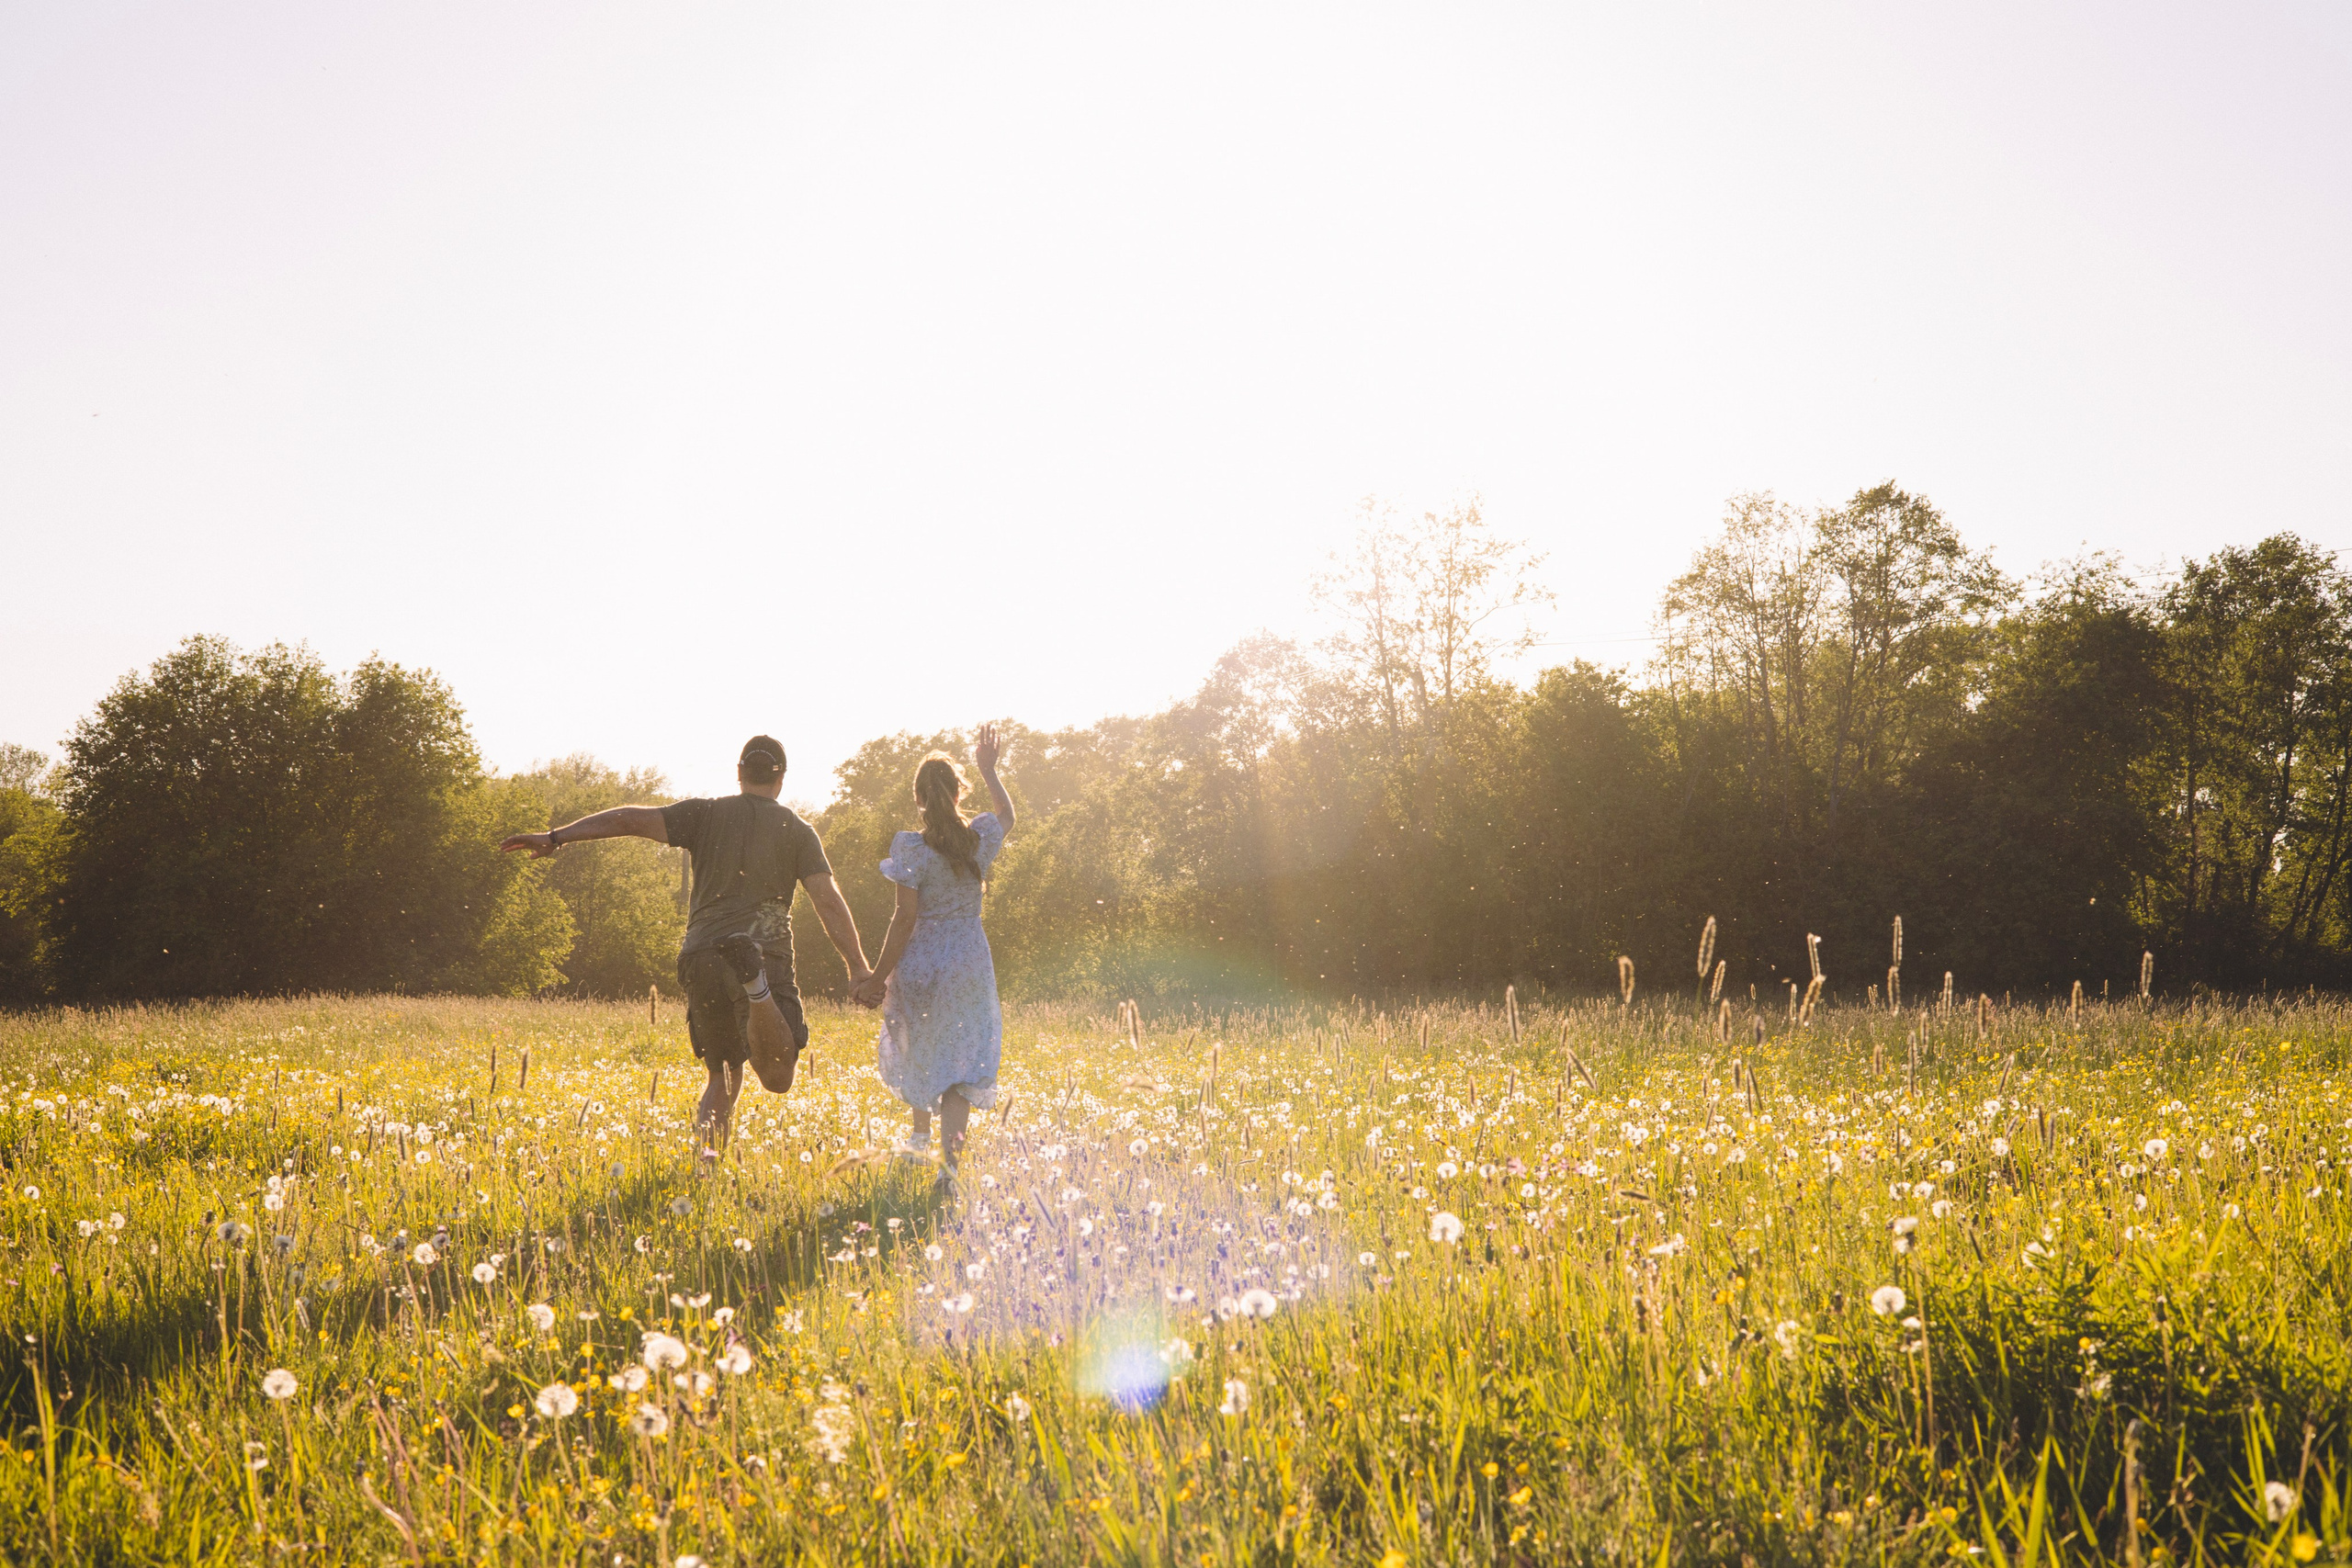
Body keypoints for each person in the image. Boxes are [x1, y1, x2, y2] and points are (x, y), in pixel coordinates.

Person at [501, 736, 875, 1142]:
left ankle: (707, 1170)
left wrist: (556, 837)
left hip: (701, 956)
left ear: (739, 773)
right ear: (781, 777)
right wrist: (858, 967)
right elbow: (828, 901)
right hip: (762, 950)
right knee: (779, 1076)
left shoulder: (705, 814)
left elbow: (628, 819)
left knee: (724, 1076)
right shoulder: (798, 830)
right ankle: (756, 985)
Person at [852, 725, 1014, 1173]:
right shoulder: (978, 838)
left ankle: (920, 1136)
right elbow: (1007, 815)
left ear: (919, 797)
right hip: (967, 958)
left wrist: (878, 975)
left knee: (922, 1047)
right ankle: (949, 1169)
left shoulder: (911, 848)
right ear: (959, 793)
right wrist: (989, 770)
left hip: (922, 958)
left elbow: (904, 919)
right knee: (962, 1065)